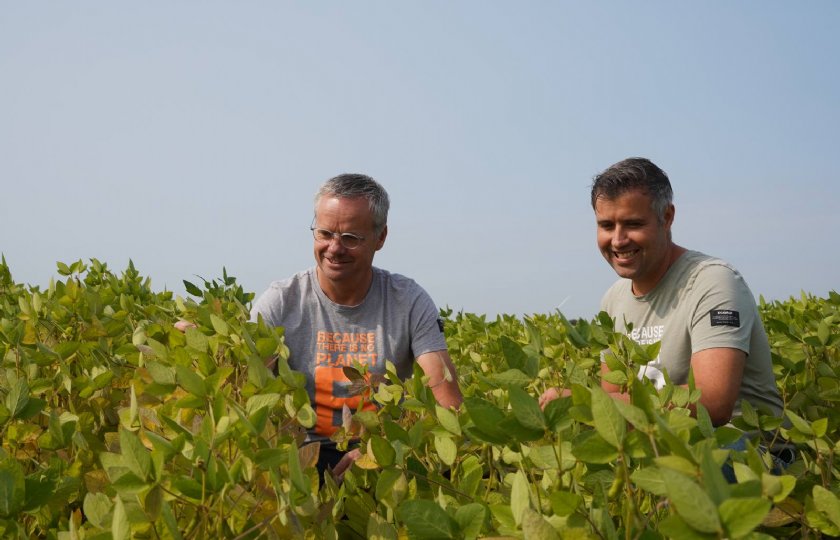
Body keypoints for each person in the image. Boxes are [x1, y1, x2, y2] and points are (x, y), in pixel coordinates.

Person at [540, 158, 783, 433]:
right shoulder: (613, 301)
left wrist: (586, 403)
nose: (618, 240)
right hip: (660, 441)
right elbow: (616, 396)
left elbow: (713, 403)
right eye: (607, 226)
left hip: (742, 447)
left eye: (632, 224)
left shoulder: (713, 281)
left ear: (666, 218)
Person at [250, 173, 462, 480]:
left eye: (350, 238)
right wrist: (204, 343)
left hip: (385, 453)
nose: (334, 249)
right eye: (324, 233)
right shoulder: (282, 300)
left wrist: (377, 451)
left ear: (381, 237)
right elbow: (246, 379)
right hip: (300, 456)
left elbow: (449, 405)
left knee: (450, 469)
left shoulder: (408, 300)